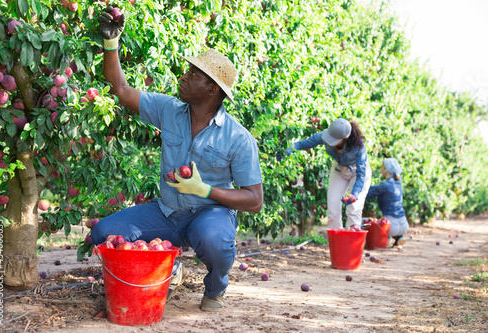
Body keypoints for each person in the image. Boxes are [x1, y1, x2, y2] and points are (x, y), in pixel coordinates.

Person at [91, 7, 263, 312]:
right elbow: (120, 89)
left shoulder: (238, 138)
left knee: (215, 241)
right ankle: (170, 270)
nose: (183, 77)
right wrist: (111, 43)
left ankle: (215, 289)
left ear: (211, 89)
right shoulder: (169, 109)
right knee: (104, 232)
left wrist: (205, 190)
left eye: (193, 75)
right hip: (166, 212)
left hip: (209, 215)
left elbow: (254, 199)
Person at [286, 118, 371, 229]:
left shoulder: (358, 145)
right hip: (339, 169)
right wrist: (291, 148)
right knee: (332, 210)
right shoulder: (326, 135)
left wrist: (355, 193)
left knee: (353, 210)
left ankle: (351, 243)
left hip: (357, 172)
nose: (330, 141)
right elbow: (305, 143)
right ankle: (337, 241)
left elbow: (361, 174)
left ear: (346, 138)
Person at [366, 158, 408, 247]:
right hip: (404, 224)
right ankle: (399, 238)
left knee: (368, 222)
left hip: (391, 226)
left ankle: (386, 237)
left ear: (387, 169)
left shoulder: (385, 185)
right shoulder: (398, 183)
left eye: (382, 167)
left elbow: (369, 194)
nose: (380, 169)